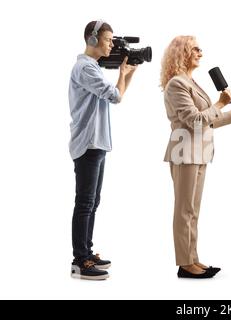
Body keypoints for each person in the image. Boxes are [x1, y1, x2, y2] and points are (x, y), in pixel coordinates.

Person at [161, 35, 231, 278]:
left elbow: (208, 121)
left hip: (200, 153)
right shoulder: (176, 84)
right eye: (194, 48)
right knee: (184, 210)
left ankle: (193, 259)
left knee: (193, 210)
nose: (200, 52)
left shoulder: (191, 82)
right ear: (181, 52)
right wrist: (219, 102)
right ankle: (185, 264)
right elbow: (195, 121)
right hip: (184, 152)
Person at [68, 20, 138, 280]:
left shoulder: (92, 68)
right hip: (88, 143)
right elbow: (115, 96)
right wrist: (122, 73)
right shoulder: (86, 68)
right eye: (109, 40)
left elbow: (116, 95)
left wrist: (129, 72)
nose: (112, 44)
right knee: (85, 203)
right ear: (93, 39)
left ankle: (86, 252)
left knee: (92, 202)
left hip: (96, 143)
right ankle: (80, 260)